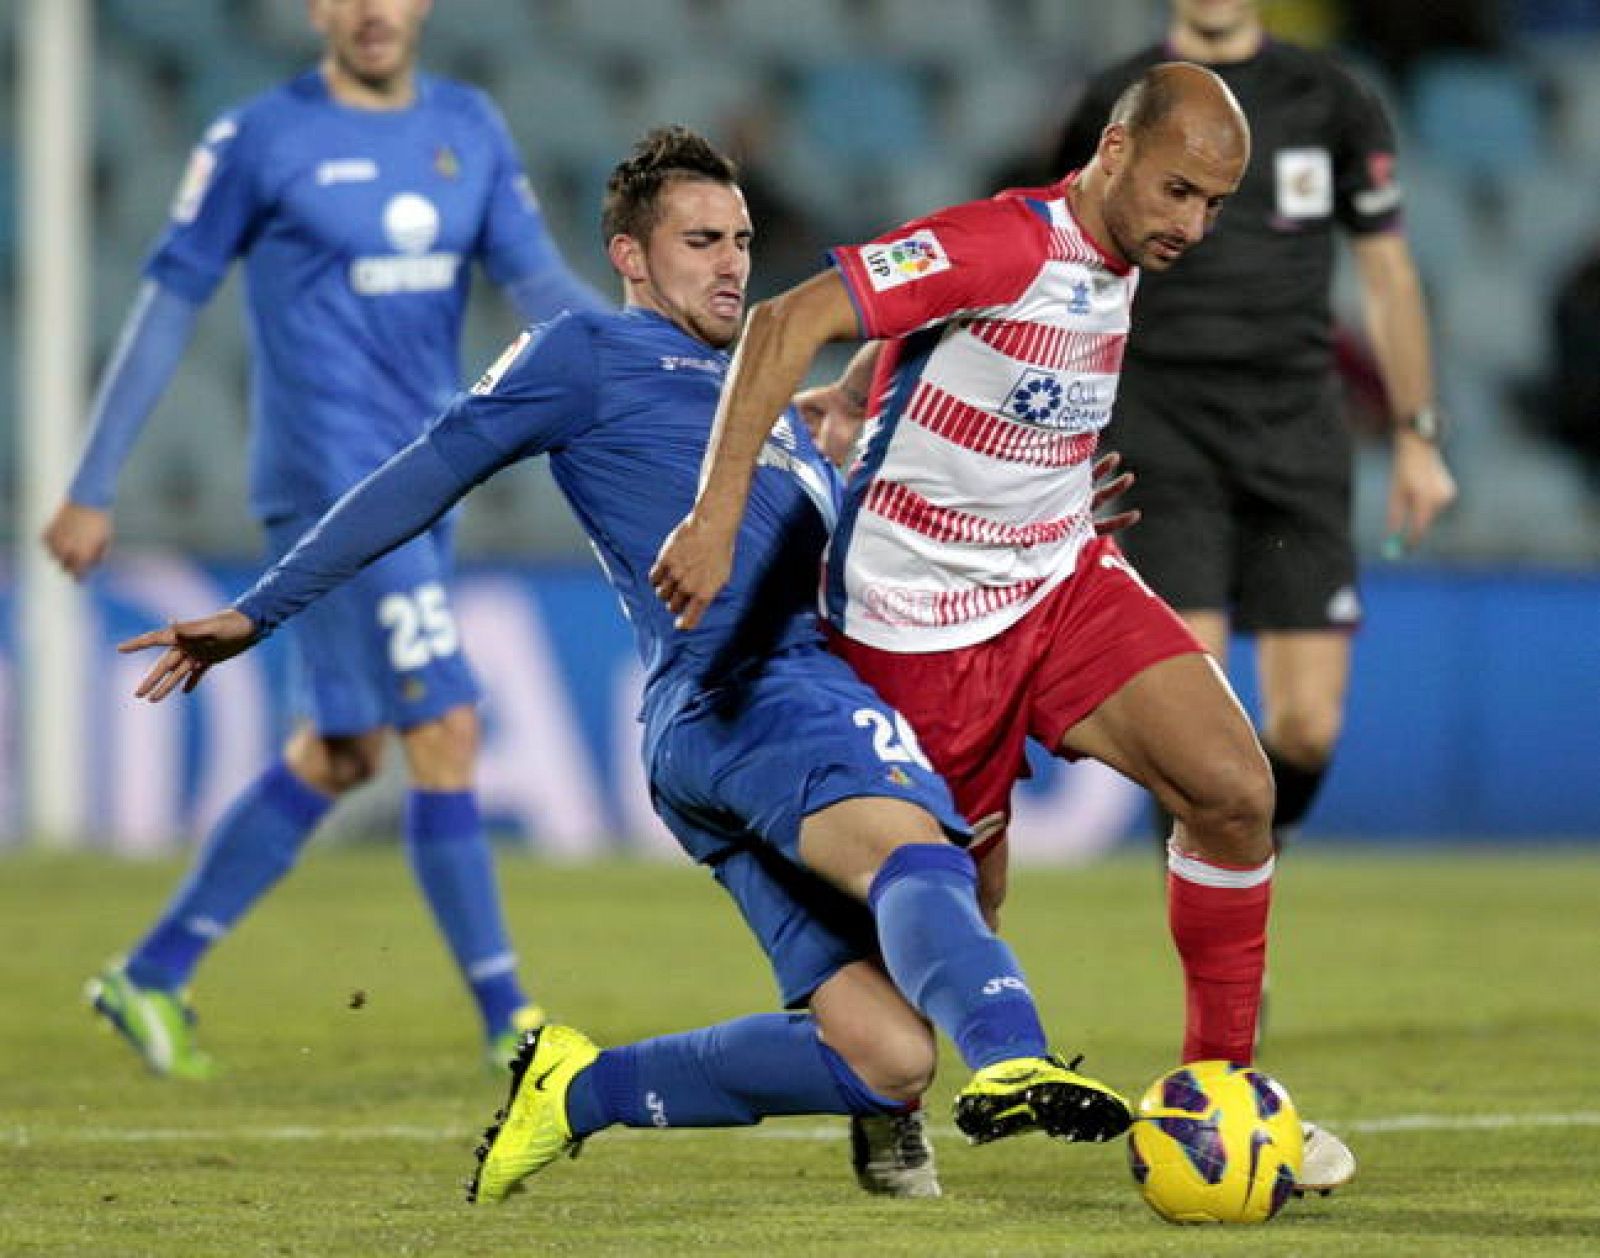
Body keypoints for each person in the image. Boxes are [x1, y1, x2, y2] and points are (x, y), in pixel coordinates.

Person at [118, 126, 1135, 1206]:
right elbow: (424, 472)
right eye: (700, 240)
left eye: (741, 239)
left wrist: (1031, 519)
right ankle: (1014, 1053)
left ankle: (577, 1087)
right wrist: (258, 611)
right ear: (630, 256)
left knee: (885, 1055)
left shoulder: (770, 406)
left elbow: (877, 532)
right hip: (747, 692)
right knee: (915, 850)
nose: (732, 263)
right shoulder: (585, 356)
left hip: (721, 732)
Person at [650, 63, 1355, 1194]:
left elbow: (948, 350)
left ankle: (1217, 1095)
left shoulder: (1114, 256)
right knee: (950, 930)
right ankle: (876, 1104)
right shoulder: (1000, 241)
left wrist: (876, 390)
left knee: (1234, 792)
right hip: (912, 627)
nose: (1193, 224)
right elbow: (786, 317)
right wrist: (718, 512)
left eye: (1215, 204)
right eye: (1178, 191)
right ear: (1114, 155)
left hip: (1060, 582)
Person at [43, 0, 609, 1079]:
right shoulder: (260, 138)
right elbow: (170, 301)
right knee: (445, 724)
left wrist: (656, 364)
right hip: (330, 483)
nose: (371, 10)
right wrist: (91, 481)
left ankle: (152, 972)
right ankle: (513, 1025)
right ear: (315, 7)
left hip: (422, 479)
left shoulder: (471, 127)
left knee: (344, 750)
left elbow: (538, 288)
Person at [1051, 2, 1457, 850]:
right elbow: (1063, 254)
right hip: (1161, 423)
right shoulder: (1119, 99)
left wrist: (1417, 433)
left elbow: (1387, 272)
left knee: (1306, 727)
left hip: (1296, 426)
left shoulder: (1331, 97)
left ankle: (1242, 866)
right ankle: (1227, 953)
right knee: (1196, 725)